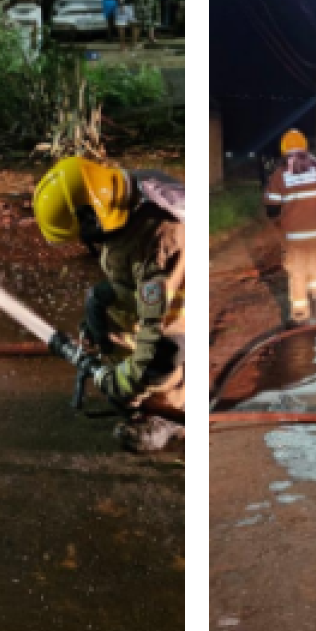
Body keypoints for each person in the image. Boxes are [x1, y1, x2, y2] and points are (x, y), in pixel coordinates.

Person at [34, 157, 185, 452]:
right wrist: (97, 310)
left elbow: (157, 330)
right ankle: (138, 387)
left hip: (171, 314)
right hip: (147, 297)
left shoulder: (159, 240)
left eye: (83, 235)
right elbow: (127, 277)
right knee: (107, 310)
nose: (82, 241)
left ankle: (168, 413)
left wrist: (127, 381)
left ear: (94, 217)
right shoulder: (124, 194)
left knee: (162, 361)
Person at [263, 130, 316, 322]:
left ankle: (299, 312)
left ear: (284, 151)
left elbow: (272, 204)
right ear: (305, 148)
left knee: (297, 272)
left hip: (294, 236)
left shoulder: (280, 174)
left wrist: (277, 217)